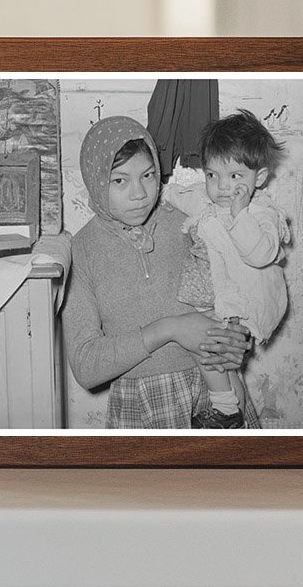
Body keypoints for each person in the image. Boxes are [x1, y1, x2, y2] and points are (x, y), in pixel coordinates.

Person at [62, 116, 250, 429]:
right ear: (96, 179)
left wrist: (236, 342)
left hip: (217, 394)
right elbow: (86, 365)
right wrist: (169, 329)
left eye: (148, 176)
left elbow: (235, 294)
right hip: (144, 407)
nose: (139, 193)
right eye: (119, 180)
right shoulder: (81, 250)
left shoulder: (188, 220)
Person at [163, 110, 290, 429]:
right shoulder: (209, 202)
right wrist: (159, 192)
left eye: (235, 177)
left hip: (248, 303)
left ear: (258, 179)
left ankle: (225, 410)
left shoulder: (262, 213)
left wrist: (240, 214)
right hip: (222, 303)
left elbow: (261, 254)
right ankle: (234, 412)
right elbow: (181, 197)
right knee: (221, 362)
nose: (221, 187)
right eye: (212, 175)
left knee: (213, 352)